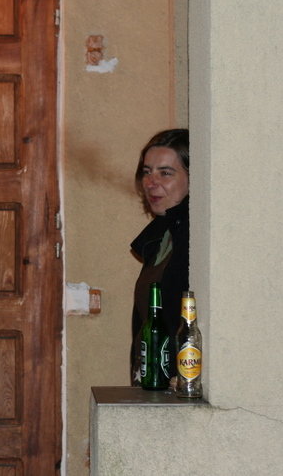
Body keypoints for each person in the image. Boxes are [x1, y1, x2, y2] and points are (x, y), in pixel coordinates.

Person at [129, 128, 189, 386]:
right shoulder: (160, 236)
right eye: (147, 172)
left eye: (165, 173)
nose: (151, 182)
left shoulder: (199, 239)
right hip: (153, 380)